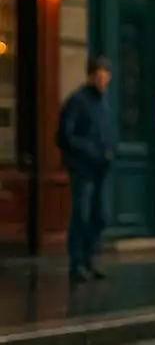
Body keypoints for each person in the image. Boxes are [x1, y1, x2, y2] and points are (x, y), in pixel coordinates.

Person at [57, 56, 114, 282]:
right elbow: (64, 136)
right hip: (82, 169)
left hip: (101, 169)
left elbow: (108, 133)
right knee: (81, 215)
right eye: (98, 75)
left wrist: (110, 151)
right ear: (91, 76)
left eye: (105, 75)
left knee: (100, 217)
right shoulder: (77, 101)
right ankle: (77, 264)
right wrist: (91, 151)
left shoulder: (104, 104)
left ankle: (88, 261)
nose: (102, 79)